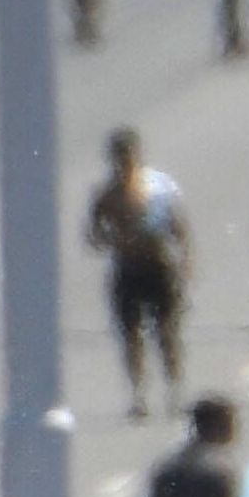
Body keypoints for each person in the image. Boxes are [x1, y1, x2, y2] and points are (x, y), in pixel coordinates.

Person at [87, 128, 192, 416]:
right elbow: (94, 235)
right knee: (131, 335)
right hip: (127, 269)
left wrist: (185, 263)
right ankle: (138, 394)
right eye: (118, 156)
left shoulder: (159, 187)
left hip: (160, 267)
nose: (123, 161)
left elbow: (179, 228)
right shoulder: (106, 195)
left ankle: (174, 390)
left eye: (128, 155)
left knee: (167, 332)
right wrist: (115, 240)